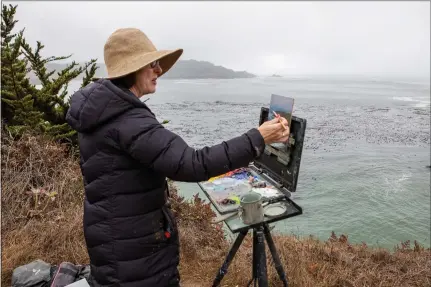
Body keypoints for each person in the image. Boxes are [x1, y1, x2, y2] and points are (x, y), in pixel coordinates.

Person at [66, 28, 289, 287]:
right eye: (152, 64)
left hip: (117, 243)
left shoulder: (103, 113)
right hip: (133, 257)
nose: (159, 70)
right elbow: (191, 164)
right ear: (132, 69)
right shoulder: (127, 120)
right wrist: (258, 138)